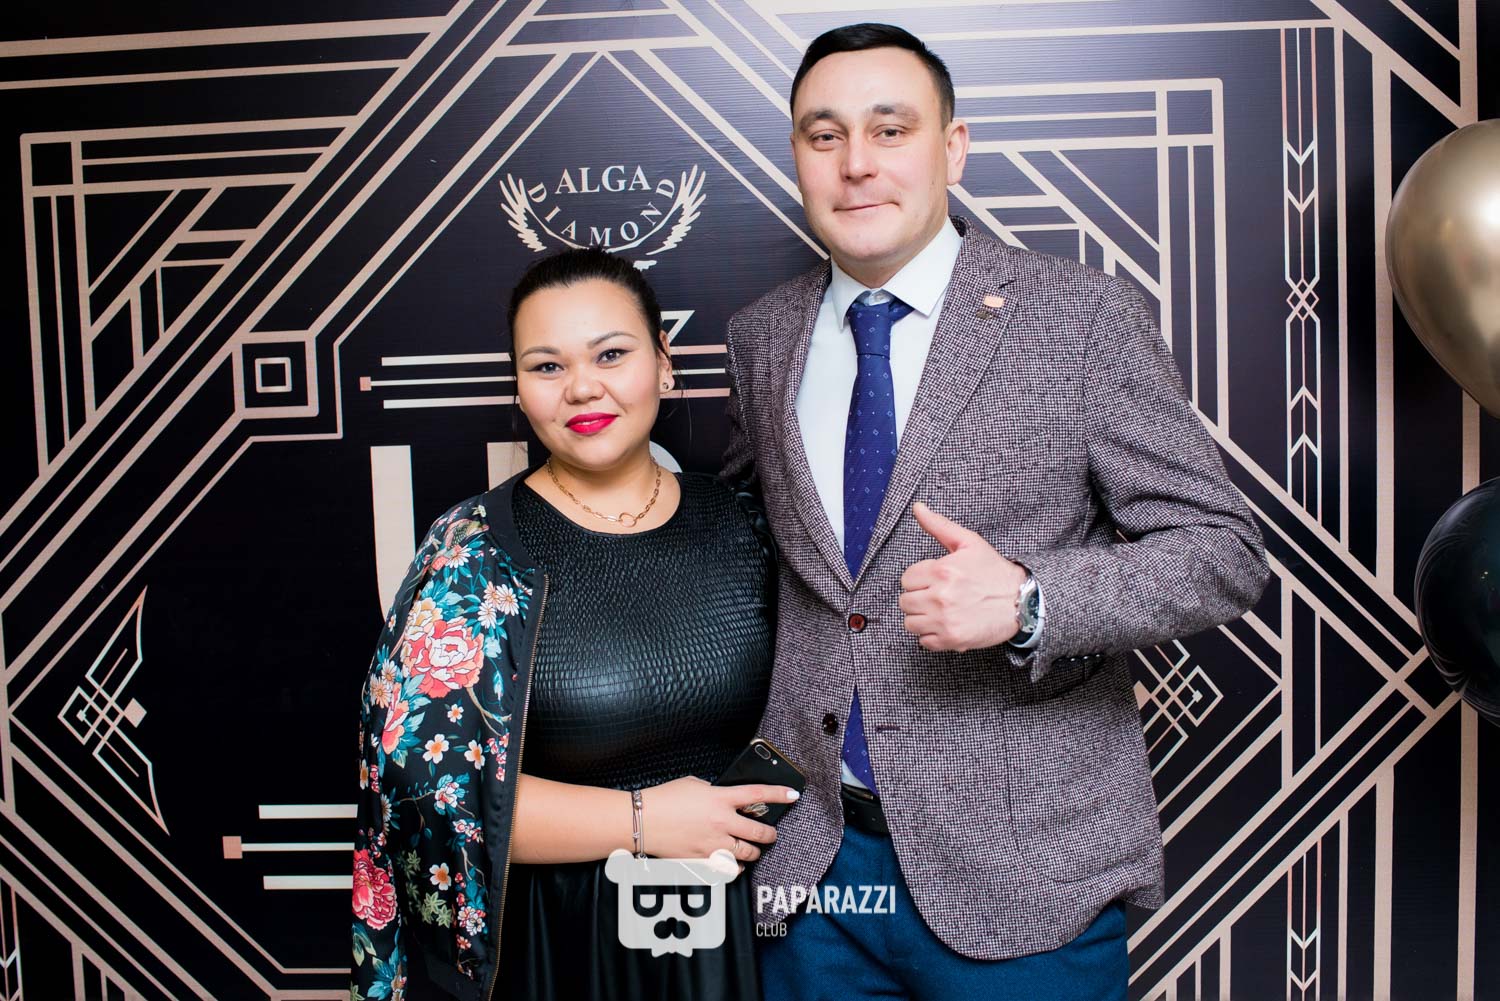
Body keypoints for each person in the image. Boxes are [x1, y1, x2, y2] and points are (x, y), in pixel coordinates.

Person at [722, 23, 1270, 1001]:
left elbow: (1222, 552)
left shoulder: (1082, 318)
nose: (856, 163)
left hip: (1025, 879)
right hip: (814, 878)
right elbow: (745, 552)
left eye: (891, 130)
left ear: (953, 148)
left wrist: (1029, 599)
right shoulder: (761, 337)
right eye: (824, 134)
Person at [352, 247, 799, 1001]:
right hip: (569, 941)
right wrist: (641, 819)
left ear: (664, 363)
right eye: (547, 366)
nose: (582, 387)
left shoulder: (746, 522)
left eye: (611, 354)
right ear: (519, 389)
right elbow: (427, 794)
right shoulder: (475, 555)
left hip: (749, 926)